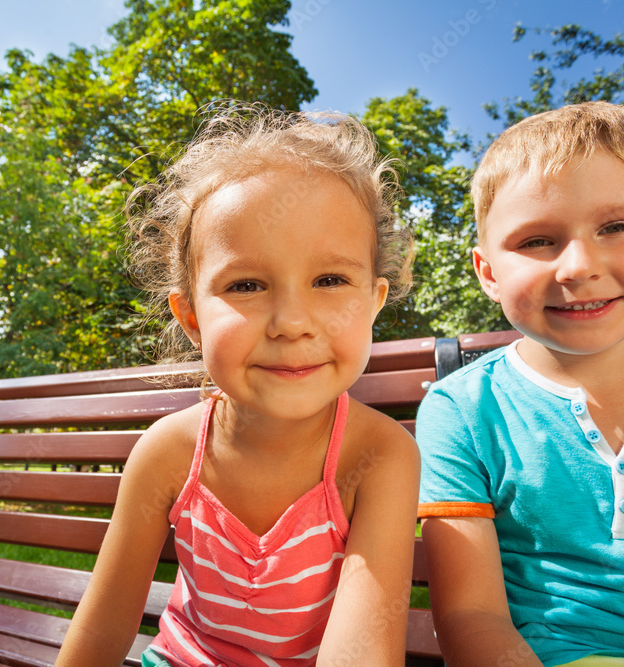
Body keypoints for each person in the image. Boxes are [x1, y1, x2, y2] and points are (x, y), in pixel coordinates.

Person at [54, 105, 420, 667]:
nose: (292, 321)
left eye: (330, 279)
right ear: (191, 316)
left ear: (373, 302)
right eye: (246, 284)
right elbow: (103, 627)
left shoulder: (380, 455)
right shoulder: (167, 452)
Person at [415, 100, 624, 667]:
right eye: (537, 241)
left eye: (616, 227)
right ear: (489, 272)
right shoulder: (463, 409)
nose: (576, 267)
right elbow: (472, 617)